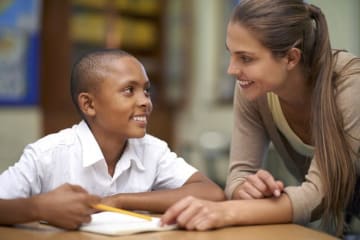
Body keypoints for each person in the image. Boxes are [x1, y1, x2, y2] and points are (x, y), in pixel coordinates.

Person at [161, 0, 359, 236]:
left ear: (291, 58)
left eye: (245, 58)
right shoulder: (254, 88)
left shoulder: (349, 86)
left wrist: (226, 212)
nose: (232, 70)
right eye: (231, 55)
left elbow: (318, 196)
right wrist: (246, 190)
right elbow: (239, 173)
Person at [0, 49, 225, 230]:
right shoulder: (48, 154)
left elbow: (211, 192)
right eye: (129, 90)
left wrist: (119, 200)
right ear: (89, 104)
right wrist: (39, 208)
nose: (145, 102)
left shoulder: (152, 150)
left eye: (146, 91)